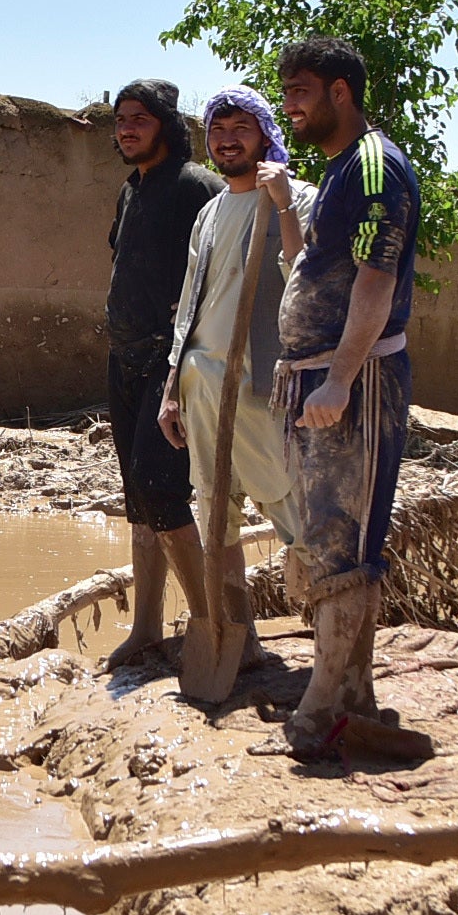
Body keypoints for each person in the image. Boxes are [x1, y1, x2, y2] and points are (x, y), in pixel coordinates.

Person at [272, 37, 424, 759]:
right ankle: (354, 696)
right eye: (286, 91)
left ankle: (318, 710)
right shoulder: (338, 170)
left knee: (342, 543)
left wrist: (339, 378)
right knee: (334, 538)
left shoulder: (373, 168)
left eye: (301, 89)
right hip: (323, 379)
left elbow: (375, 279)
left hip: (352, 383)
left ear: (340, 91)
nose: (289, 104)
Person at [156, 86, 315, 701]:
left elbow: (311, 279)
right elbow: (190, 306)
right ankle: (236, 636)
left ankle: (333, 649)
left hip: (263, 391)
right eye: (217, 128)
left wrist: (282, 206)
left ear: (265, 134)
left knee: (296, 514)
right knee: (215, 519)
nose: (226, 138)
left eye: (240, 127)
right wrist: (173, 386)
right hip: (201, 386)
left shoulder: (296, 198)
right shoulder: (211, 211)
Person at [101, 79, 225, 669]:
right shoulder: (132, 190)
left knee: (162, 490)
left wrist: (185, 368)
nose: (127, 128)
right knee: (137, 501)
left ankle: (212, 626)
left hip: (172, 364)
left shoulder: (197, 189)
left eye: (139, 119)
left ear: (166, 125)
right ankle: (146, 627)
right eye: (121, 119)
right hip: (123, 360)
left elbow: (222, 278)